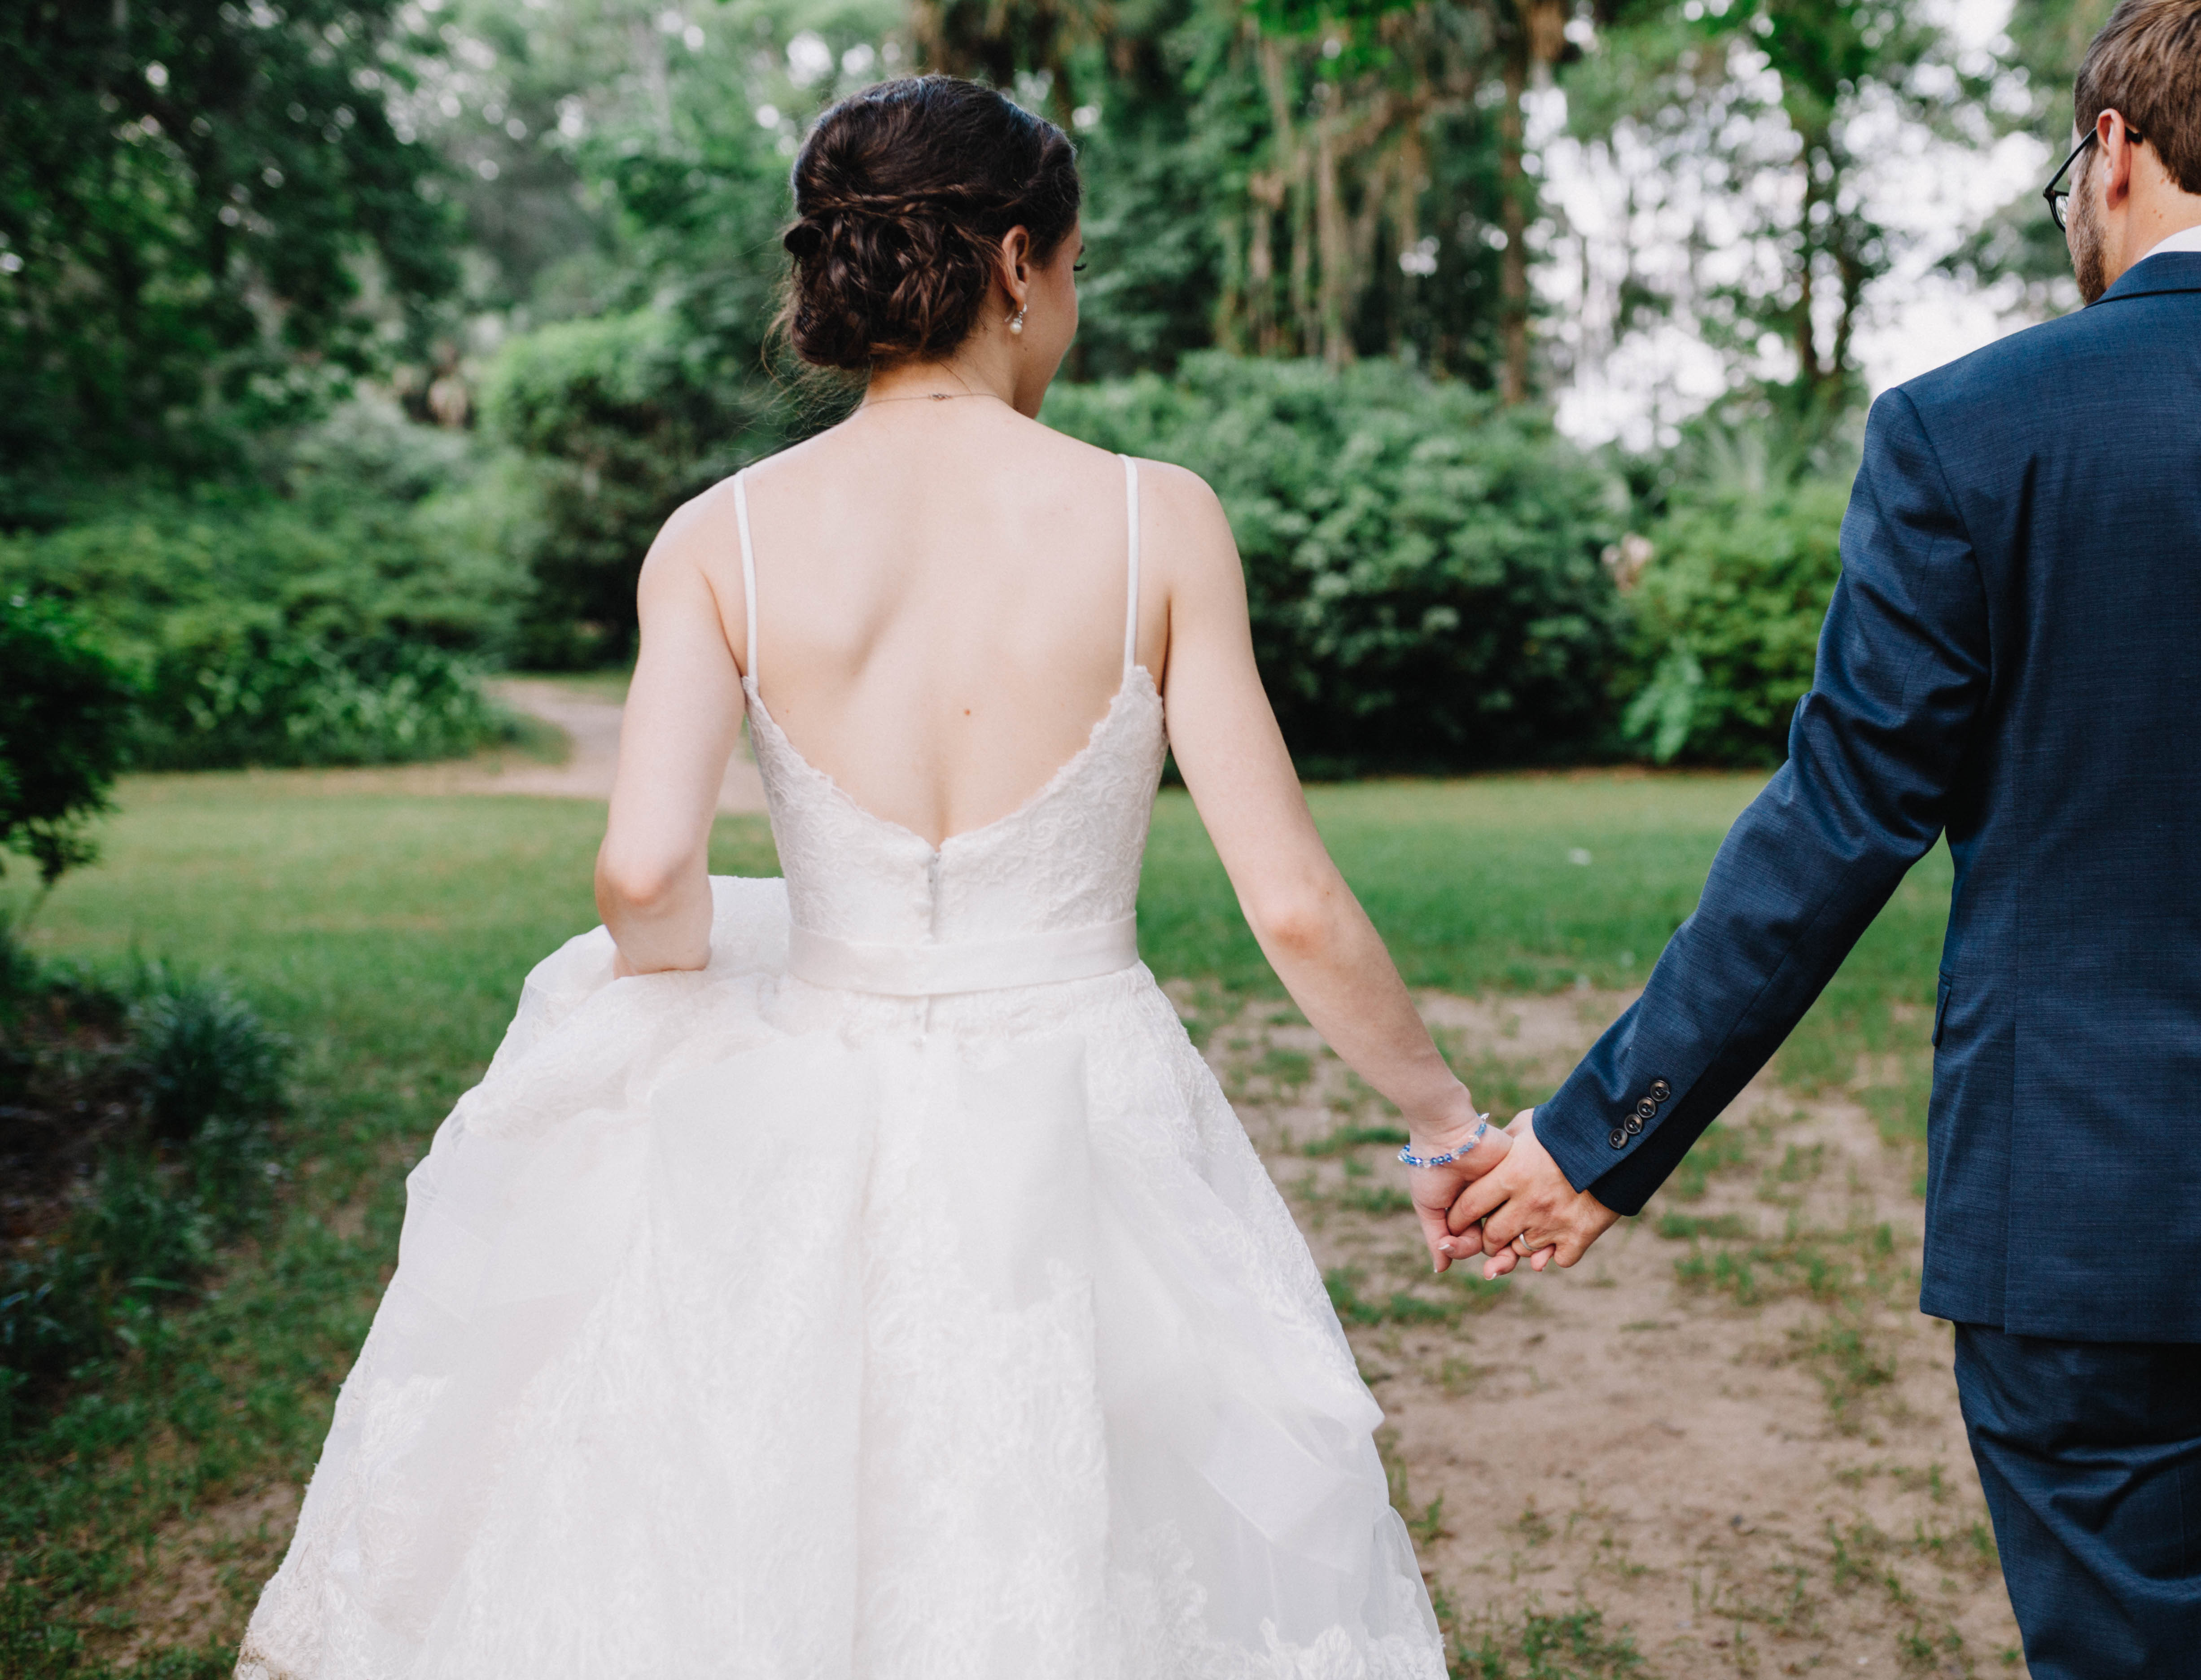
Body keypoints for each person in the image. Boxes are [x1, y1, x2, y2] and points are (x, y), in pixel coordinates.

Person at [236, 74, 1499, 1679]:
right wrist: (1448, 1121)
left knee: (781, 1505)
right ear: (1022, 263)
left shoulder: (720, 537)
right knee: (1076, 1520)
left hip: (808, 1098)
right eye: (1079, 275)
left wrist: (696, 992)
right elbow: (1297, 905)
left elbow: (641, 871)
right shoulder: (1155, 521)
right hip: (1085, 1100)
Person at [1442, 2, 2201, 1675]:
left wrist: (1601, 1137)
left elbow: (1838, 822)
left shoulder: (1968, 429)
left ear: (2113, 149)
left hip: (2090, 1218)